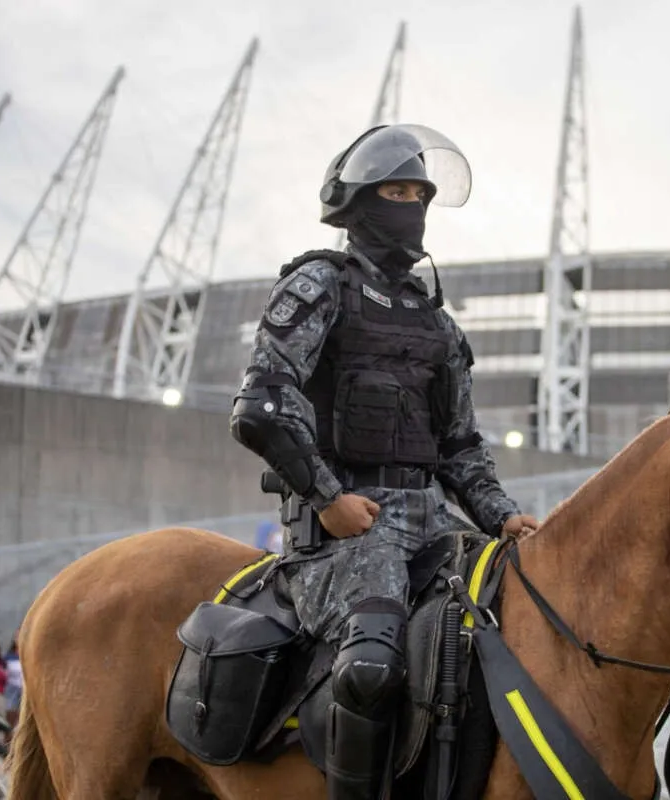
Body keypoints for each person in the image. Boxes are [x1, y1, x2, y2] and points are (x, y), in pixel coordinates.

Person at [230, 123, 539, 800]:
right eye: (396, 190)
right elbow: (261, 407)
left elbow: (460, 447)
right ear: (360, 201)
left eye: (419, 192)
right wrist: (327, 498)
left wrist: (504, 517)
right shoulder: (320, 285)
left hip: (434, 526)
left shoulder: (438, 324)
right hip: (344, 532)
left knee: (512, 632)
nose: (410, 206)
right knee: (372, 666)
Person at [3, 635, 22, 728]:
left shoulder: (31, 654)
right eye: (17, 636)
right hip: (12, 690)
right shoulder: (8, 657)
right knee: (11, 718)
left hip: (26, 690)